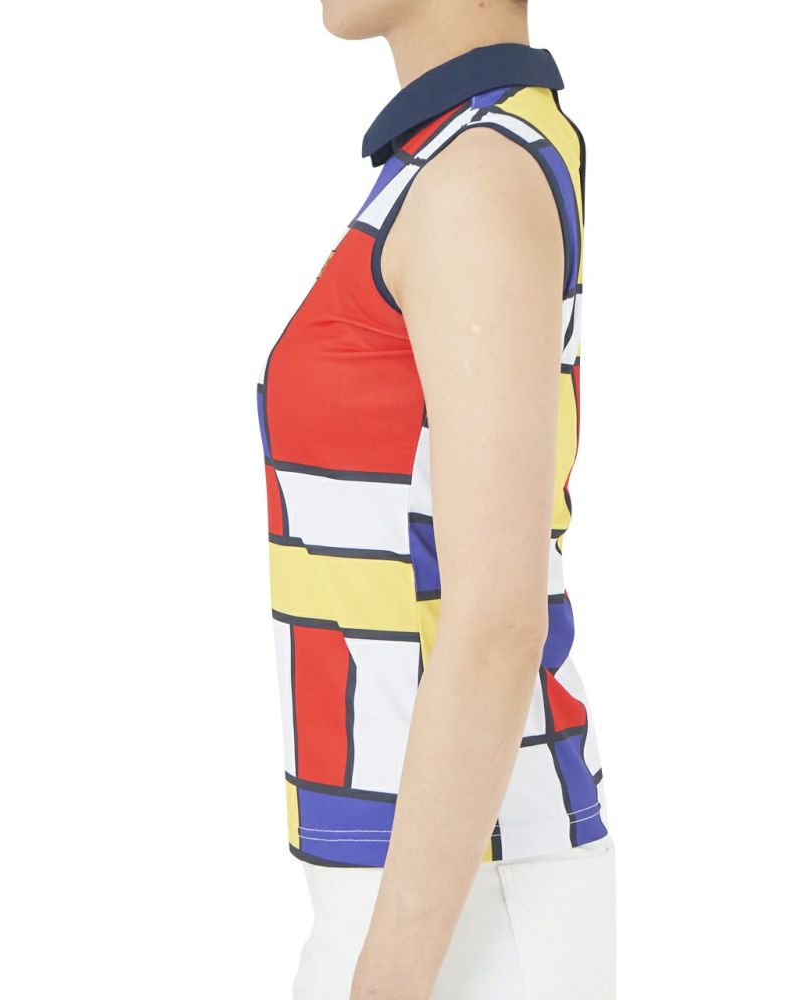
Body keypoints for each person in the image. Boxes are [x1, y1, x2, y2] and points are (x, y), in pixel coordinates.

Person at [256, 1, 615, 997]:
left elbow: (496, 619)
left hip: (466, 901)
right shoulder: (449, 161)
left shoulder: (476, 176)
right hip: (426, 877)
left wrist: (387, 977)